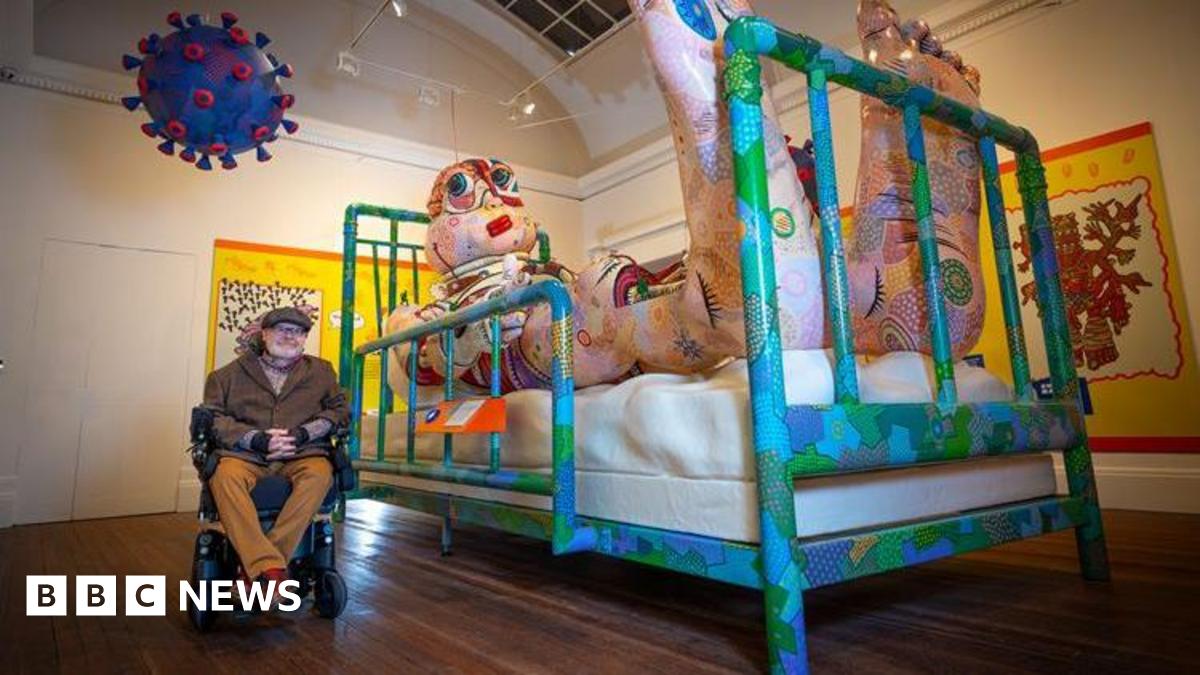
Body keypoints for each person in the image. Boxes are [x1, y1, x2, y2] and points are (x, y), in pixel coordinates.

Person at [202, 306, 349, 599]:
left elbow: (340, 410)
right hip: (247, 456)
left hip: (302, 453)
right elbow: (213, 418)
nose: (289, 336)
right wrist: (255, 440)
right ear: (265, 333)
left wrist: (305, 433)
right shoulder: (225, 376)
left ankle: (259, 571)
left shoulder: (321, 371)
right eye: (282, 329)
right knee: (224, 476)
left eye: (297, 332)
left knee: (320, 475)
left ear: (305, 338)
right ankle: (273, 571)